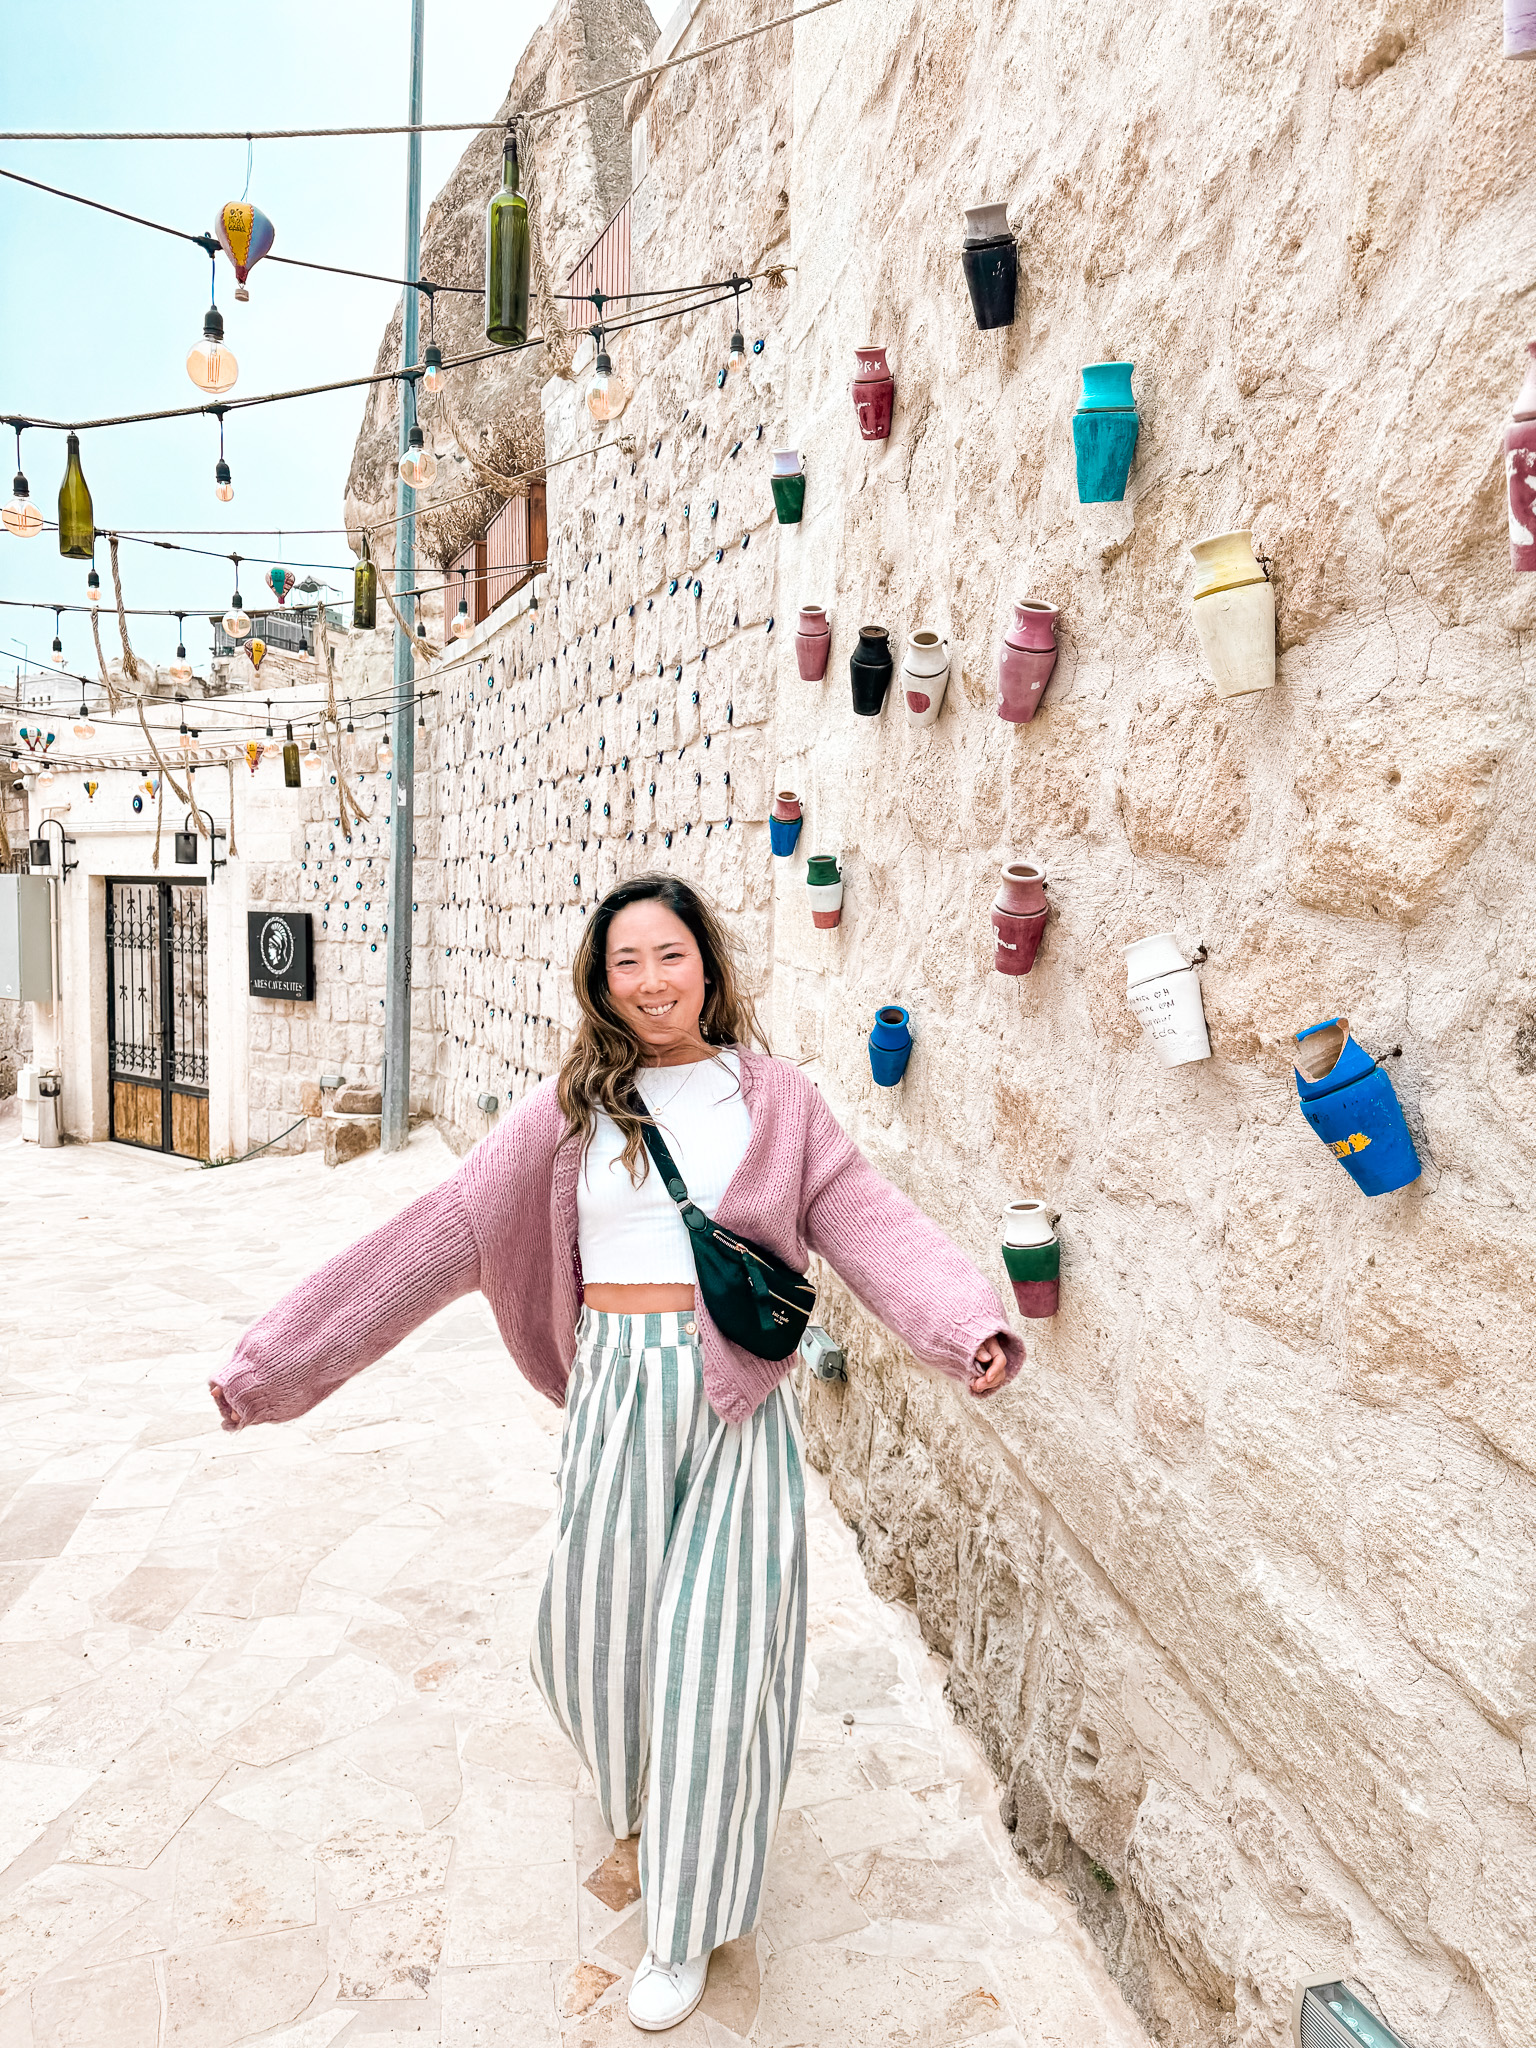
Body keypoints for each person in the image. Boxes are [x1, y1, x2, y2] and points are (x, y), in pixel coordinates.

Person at [211, 873, 1023, 2032]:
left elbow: (871, 1221)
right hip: (614, 1399)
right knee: (585, 1636)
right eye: (625, 961)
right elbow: (424, 1244)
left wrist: (963, 1326)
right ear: (600, 979)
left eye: (670, 955)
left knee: (714, 1660)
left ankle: (681, 1919)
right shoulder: (565, 1116)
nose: (650, 981)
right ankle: (642, 1780)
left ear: (709, 965)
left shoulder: (778, 1101)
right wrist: (272, 1367)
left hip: (734, 1406)